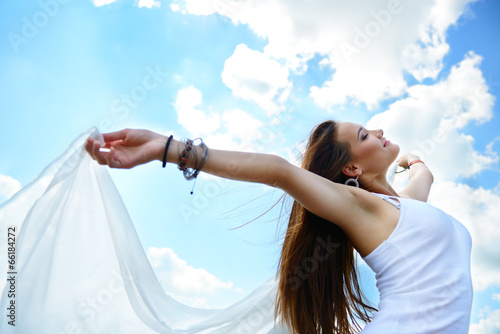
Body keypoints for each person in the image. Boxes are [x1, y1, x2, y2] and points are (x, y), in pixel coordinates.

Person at [85, 120, 473, 334]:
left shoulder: (403, 209)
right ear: (351, 169)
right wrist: (165, 147)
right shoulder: (361, 207)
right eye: (365, 136)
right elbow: (277, 171)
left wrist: (415, 162)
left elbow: (425, 178)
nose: (379, 131)